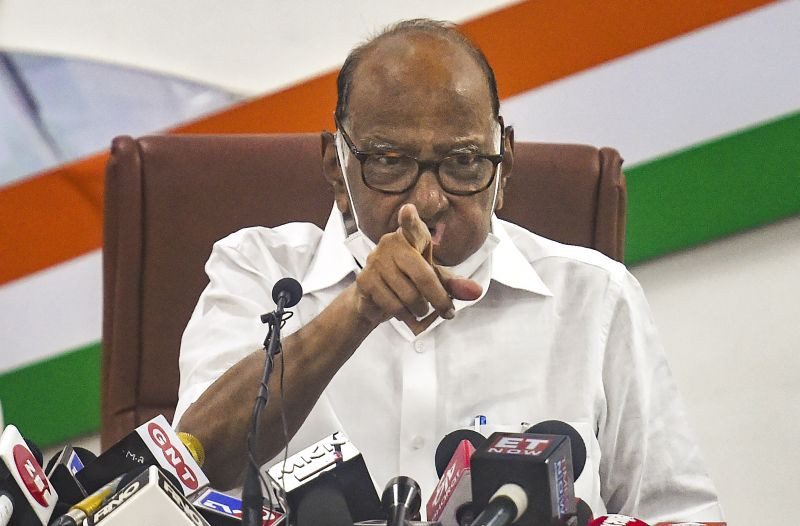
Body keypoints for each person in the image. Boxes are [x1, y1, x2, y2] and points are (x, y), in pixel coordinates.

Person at [174, 19, 722, 522]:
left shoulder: (595, 295)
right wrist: (357, 311)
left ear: (504, 166)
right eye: (390, 161)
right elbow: (189, 471)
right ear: (337, 167)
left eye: (463, 162)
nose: (428, 200)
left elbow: (684, 514)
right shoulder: (261, 274)